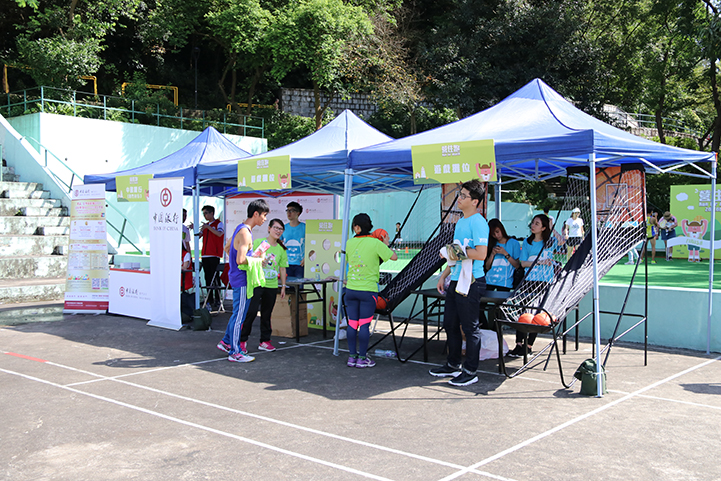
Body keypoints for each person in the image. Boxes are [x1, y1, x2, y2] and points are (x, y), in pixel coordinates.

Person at [430, 180, 489, 387]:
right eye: (460, 195)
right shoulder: (461, 222)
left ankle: (471, 370)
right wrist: (444, 275)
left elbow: (481, 254)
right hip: (456, 280)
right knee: (450, 324)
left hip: (471, 281)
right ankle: (452, 364)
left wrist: (453, 252)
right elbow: (456, 255)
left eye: (463, 196)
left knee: (470, 327)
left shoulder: (478, 222)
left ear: (474, 201)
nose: (459, 199)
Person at [216, 199, 269, 362]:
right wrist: (258, 260)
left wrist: (251, 256)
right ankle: (235, 352)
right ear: (256, 214)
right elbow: (240, 260)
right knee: (239, 317)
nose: (264, 219)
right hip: (241, 279)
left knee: (238, 315)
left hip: (237, 278)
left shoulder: (240, 228)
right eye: (264, 215)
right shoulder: (245, 233)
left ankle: (226, 342)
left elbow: (227, 247)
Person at [345, 213, 397, 368]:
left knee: (352, 324)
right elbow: (394, 257)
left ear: (356, 227)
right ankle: (362, 358)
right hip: (368, 291)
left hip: (351, 289)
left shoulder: (349, 243)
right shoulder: (376, 244)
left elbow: (349, 260)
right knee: (365, 325)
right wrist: (386, 243)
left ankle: (352, 357)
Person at [508, 214, 555, 358]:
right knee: (523, 312)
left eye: (537, 223)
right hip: (529, 281)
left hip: (545, 282)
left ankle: (529, 345)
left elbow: (563, 241)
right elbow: (523, 263)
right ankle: (519, 344)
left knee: (536, 313)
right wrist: (539, 262)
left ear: (544, 227)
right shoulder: (528, 243)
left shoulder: (551, 241)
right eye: (532, 223)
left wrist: (552, 226)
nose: (533, 226)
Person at [239, 218, 288, 354]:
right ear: (269, 228)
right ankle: (242, 340)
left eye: (280, 229)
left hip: (272, 285)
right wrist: (259, 261)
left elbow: (283, 269)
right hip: (257, 282)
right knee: (252, 312)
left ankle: (265, 341)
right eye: (276, 228)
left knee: (267, 314)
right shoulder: (258, 243)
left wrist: (283, 286)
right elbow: (248, 258)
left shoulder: (281, 249)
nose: (278, 231)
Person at [199, 205, 224, 311]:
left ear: (212, 213)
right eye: (203, 213)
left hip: (214, 255)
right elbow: (199, 235)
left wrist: (208, 227)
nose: (205, 215)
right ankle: (209, 300)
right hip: (205, 254)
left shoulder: (218, 223)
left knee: (215, 278)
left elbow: (219, 234)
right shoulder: (206, 225)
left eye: (206, 213)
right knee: (207, 278)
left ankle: (218, 299)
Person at [282, 201, 305, 279]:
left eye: (291, 210)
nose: (289, 213)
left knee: (299, 288)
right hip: (286, 264)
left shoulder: (305, 227)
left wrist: (306, 258)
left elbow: (313, 244)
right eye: (287, 210)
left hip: (300, 264)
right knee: (288, 288)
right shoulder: (283, 228)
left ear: (298, 213)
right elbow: (277, 242)